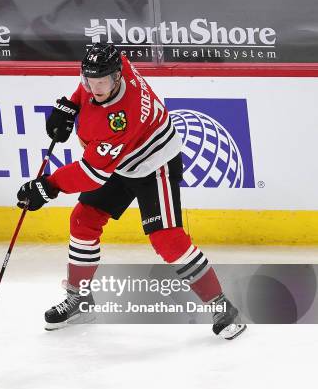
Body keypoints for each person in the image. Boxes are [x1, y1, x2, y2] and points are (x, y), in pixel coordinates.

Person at [16, 43, 246, 340]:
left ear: (118, 77)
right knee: (82, 222)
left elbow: (91, 173)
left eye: (102, 82)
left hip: (153, 163)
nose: (95, 88)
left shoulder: (122, 116)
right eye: (90, 81)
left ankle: (220, 304)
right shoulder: (113, 64)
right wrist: (71, 105)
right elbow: (88, 87)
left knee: (167, 239)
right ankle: (79, 300)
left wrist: (48, 187)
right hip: (118, 161)